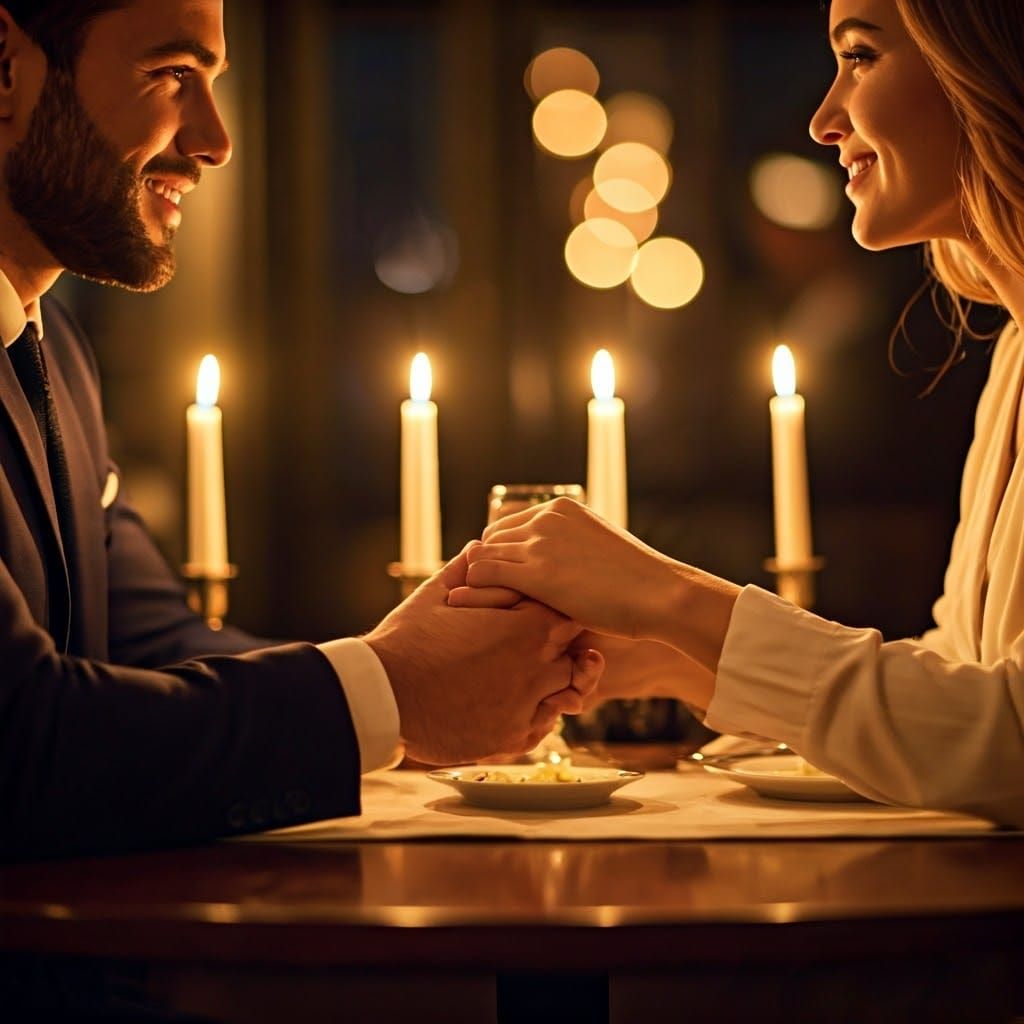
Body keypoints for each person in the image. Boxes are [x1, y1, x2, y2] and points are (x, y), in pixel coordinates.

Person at [0, 0, 603, 861]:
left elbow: (151, 645)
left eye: (214, 83)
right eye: (172, 74)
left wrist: (433, 667)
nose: (215, 139)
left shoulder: (51, 343)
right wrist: (391, 693)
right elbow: (21, 739)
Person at [453, 0, 1024, 828]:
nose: (825, 119)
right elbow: (960, 681)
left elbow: (1006, 743)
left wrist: (678, 601)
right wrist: (684, 661)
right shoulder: (1013, 357)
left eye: (860, 56)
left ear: (987, 65)